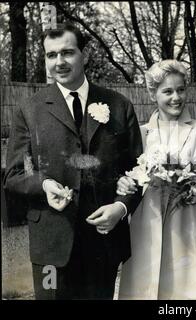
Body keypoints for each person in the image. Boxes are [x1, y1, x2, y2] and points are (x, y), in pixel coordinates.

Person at [3, 23, 143, 299]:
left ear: (85, 56)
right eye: (51, 55)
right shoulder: (28, 110)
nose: (59, 62)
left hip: (103, 243)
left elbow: (140, 170)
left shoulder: (118, 105)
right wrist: (44, 185)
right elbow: (13, 175)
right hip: (51, 246)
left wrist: (121, 208)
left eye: (67, 53)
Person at [117, 60, 196, 300]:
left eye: (181, 90)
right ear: (153, 94)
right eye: (167, 91)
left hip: (185, 223)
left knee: (184, 292)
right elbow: (126, 173)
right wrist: (123, 181)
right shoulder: (140, 133)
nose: (176, 97)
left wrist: (190, 181)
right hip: (145, 224)